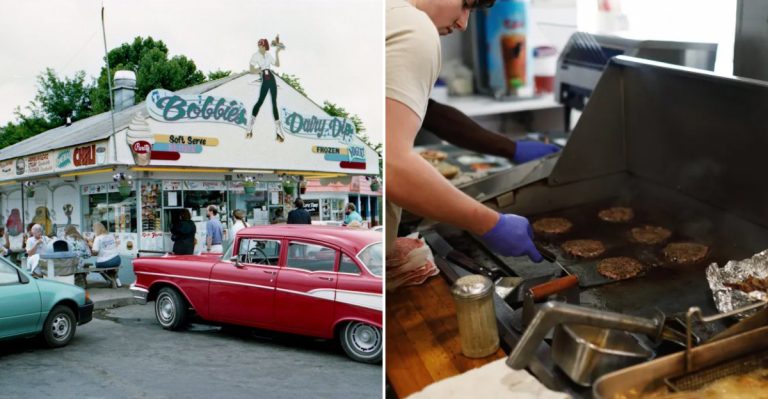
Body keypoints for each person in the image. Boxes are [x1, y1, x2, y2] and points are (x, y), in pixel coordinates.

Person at [386, 0, 552, 262]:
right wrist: (490, 223)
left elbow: (424, 109)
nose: (463, 24)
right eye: (465, 5)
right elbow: (391, 163)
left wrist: (511, 148)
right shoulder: (414, 28)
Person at [247, 35, 285, 142]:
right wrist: (258, 71)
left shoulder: (268, 55)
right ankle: (250, 126)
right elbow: (251, 69)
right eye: (259, 45)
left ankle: (278, 129)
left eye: (261, 45)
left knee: (274, 102)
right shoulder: (255, 55)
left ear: (264, 46)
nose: (259, 47)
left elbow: (277, 64)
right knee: (260, 101)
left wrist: (277, 53)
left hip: (271, 77)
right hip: (264, 76)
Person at [89, 222, 121, 287]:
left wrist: (90, 247)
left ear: (96, 229)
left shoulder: (98, 238)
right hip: (117, 259)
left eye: (93, 229)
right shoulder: (111, 235)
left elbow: (95, 252)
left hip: (106, 262)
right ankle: (116, 281)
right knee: (111, 269)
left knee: (98, 266)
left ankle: (110, 281)